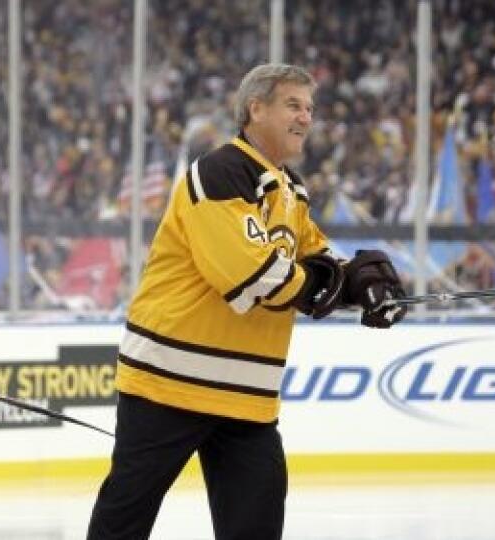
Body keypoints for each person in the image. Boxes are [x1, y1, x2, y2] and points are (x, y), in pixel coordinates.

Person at [86, 63, 407, 540]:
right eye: (293, 105)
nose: (306, 117)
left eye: (310, 108)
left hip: (247, 398)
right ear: (255, 108)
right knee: (124, 522)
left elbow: (317, 257)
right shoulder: (218, 172)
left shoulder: (291, 188)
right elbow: (248, 274)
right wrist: (323, 287)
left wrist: (363, 285)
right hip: (169, 383)